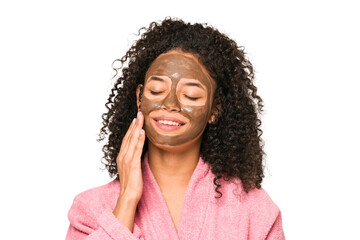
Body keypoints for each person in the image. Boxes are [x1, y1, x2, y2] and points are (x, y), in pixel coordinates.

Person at [66, 18, 285, 240]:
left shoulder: (254, 211)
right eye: (156, 90)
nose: (170, 104)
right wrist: (127, 200)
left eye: (191, 95)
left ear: (214, 109)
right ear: (139, 97)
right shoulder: (90, 210)